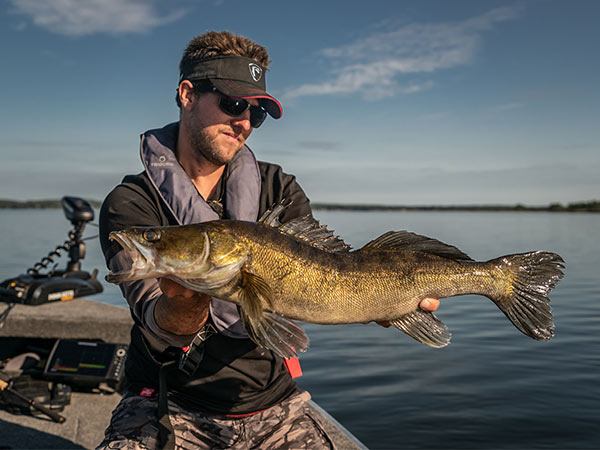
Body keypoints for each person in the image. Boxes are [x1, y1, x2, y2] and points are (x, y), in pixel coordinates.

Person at [97, 31, 440, 450]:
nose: (244, 122)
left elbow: (330, 276)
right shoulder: (132, 204)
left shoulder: (278, 187)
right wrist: (186, 296)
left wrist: (385, 304)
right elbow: (161, 325)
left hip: (275, 403)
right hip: (170, 403)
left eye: (255, 113)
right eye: (234, 103)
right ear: (187, 94)